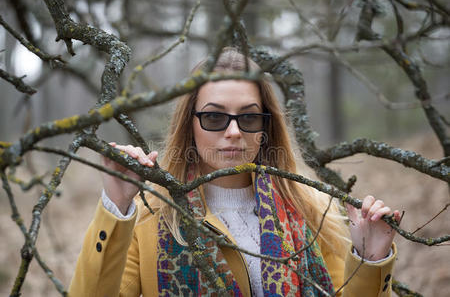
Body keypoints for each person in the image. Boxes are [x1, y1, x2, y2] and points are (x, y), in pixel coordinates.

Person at [69, 47, 401, 297]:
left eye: (249, 117)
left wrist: (369, 261)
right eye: (214, 118)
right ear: (190, 124)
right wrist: (116, 207)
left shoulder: (308, 206)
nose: (233, 132)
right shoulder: (150, 213)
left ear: (265, 127)